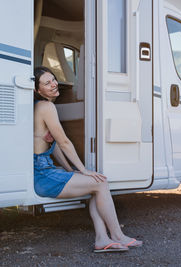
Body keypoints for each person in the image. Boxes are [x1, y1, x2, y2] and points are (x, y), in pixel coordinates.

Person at [33, 66, 142, 253]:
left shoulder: (41, 107)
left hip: (46, 170)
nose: (53, 84)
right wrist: (83, 170)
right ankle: (117, 235)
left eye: (53, 79)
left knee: (97, 184)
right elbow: (64, 142)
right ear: (37, 90)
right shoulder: (46, 107)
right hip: (42, 174)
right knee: (100, 183)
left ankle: (102, 238)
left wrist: (69, 170)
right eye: (46, 83)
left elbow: (55, 148)